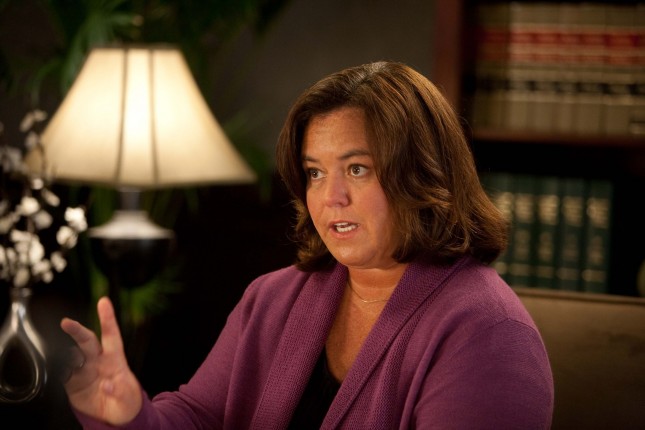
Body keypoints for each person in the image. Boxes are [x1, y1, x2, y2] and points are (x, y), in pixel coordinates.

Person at [60, 61, 554, 429]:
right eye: (315, 172)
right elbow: (198, 418)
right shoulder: (273, 298)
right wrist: (128, 416)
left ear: (423, 174)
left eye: (357, 169)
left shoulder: (490, 333)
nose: (331, 197)